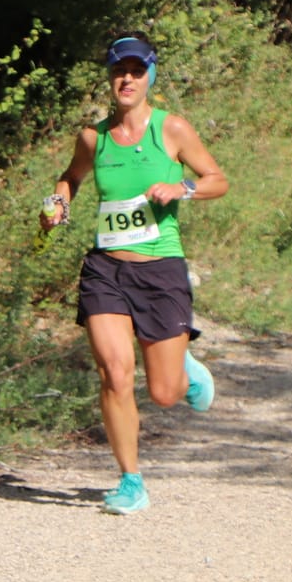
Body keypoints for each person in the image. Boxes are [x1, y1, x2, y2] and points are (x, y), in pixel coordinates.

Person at [42, 32, 228, 515]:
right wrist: (59, 203)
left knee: (164, 394)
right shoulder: (93, 137)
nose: (127, 78)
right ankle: (130, 480)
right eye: (119, 70)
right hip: (106, 271)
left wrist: (180, 187)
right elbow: (71, 177)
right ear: (109, 75)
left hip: (160, 270)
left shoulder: (172, 130)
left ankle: (182, 368)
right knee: (115, 374)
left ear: (150, 76)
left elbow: (217, 180)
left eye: (137, 70)